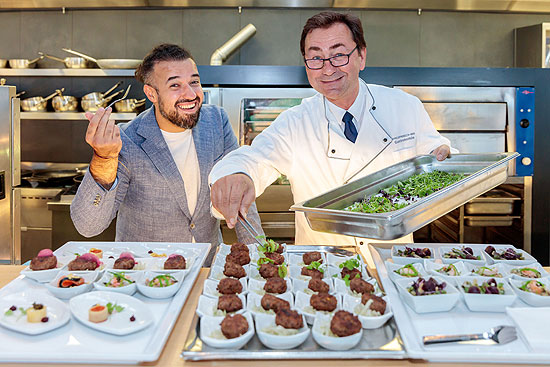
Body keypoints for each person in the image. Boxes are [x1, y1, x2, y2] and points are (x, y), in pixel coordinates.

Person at [209, 12, 454, 249]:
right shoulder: (295, 122)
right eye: (315, 58)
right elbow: (255, 158)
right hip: (322, 271)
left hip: (391, 265)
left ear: (361, 56)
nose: (327, 69)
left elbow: (437, 156)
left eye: (338, 55)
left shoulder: (405, 107)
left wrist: (445, 156)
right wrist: (237, 173)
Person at [70, 44, 262, 264]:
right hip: (146, 275)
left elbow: (237, 193)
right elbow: (88, 225)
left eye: (194, 82)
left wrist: (260, 258)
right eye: (175, 85)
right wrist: (103, 158)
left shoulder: (216, 121)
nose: (190, 94)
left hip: (204, 270)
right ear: (151, 93)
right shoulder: (128, 139)